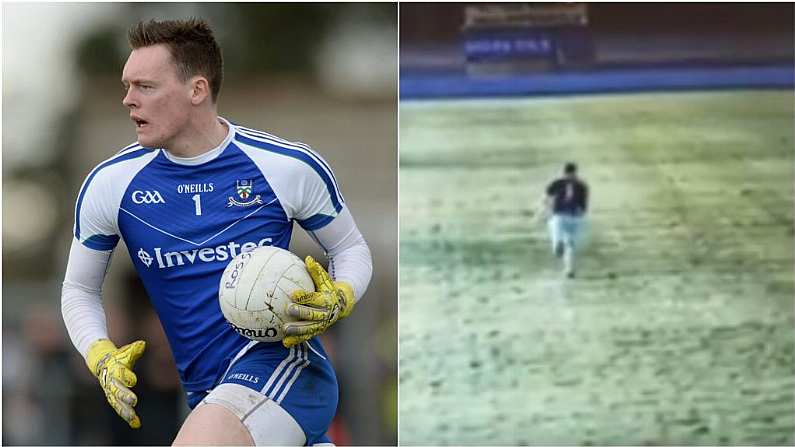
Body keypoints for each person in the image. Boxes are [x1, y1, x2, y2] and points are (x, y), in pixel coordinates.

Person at [60, 18, 373, 446]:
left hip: (286, 371)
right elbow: (79, 288)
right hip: (206, 393)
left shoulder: (285, 166)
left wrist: (341, 296)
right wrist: (99, 354)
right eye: (126, 85)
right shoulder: (111, 185)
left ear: (197, 90)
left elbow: (351, 248)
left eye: (145, 86)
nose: (128, 100)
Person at [542, 162, 588, 278]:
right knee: (571, 245)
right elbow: (583, 207)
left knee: (556, 234)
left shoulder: (557, 183)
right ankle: (569, 269)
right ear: (575, 172)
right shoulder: (582, 185)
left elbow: (546, 199)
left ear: (564, 172)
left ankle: (558, 243)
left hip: (559, 216)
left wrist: (546, 211)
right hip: (575, 217)